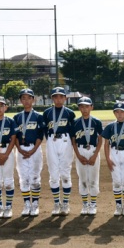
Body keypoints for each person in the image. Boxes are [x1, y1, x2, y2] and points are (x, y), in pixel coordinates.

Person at [43, 87, 76, 216]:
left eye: (61, 96)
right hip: (52, 141)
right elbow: (45, 129)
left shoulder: (70, 113)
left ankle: (65, 203)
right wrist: (50, 140)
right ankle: (57, 203)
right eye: (55, 97)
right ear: (52, 98)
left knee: (65, 173)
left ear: (65, 98)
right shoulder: (47, 113)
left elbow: (72, 131)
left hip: (65, 141)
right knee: (53, 173)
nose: (58, 99)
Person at [13, 88, 45, 217]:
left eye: (29, 98)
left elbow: (40, 135)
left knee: (35, 177)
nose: (26, 101)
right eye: (23, 98)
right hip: (20, 149)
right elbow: (15, 136)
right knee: (23, 177)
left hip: (34, 149)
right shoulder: (17, 117)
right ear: (21, 101)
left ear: (33, 100)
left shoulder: (38, 116)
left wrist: (33, 150)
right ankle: (27, 204)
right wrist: (20, 149)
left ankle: (35, 204)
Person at [102, 101, 124, 216]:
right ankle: (118, 206)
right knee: (116, 182)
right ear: (114, 113)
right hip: (114, 153)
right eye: (117, 112)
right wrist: (108, 159)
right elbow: (106, 144)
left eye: (122, 112)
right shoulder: (110, 126)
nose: (120, 114)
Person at [71, 97, 103, 215]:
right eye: (82, 106)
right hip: (80, 150)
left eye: (87, 106)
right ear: (79, 108)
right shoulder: (75, 122)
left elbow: (100, 140)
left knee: (93, 178)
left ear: (91, 107)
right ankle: (85, 204)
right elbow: (73, 141)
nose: (84, 109)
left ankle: (93, 204)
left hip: (93, 150)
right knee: (83, 179)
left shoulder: (96, 122)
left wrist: (95, 155)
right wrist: (78, 156)